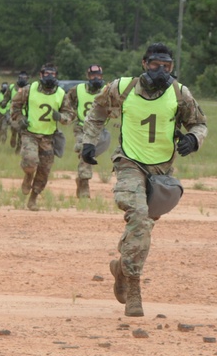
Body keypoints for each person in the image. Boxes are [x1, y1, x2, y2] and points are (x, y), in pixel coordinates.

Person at [81, 43, 208, 317]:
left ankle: (121, 268)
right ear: (143, 64)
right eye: (155, 65)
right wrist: (89, 141)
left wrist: (192, 139)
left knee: (142, 231)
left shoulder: (179, 93)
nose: (161, 71)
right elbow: (98, 110)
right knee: (138, 217)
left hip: (161, 174)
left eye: (167, 66)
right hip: (128, 163)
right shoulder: (122, 88)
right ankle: (134, 290)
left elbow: (199, 123)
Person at [9, 63, 71, 211]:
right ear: (41, 75)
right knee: (30, 160)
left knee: (44, 170)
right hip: (30, 133)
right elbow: (15, 105)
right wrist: (19, 118)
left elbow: (70, 114)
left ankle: (33, 199)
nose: (49, 77)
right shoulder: (28, 90)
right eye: (46, 74)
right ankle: (28, 175)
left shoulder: (61, 94)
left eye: (53, 74)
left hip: (49, 138)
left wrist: (61, 117)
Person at [60, 64, 107, 198]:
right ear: (88, 76)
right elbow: (67, 105)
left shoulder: (106, 90)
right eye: (93, 75)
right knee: (84, 149)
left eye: (98, 75)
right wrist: (69, 116)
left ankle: (80, 178)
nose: (96, 78)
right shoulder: (77, 90)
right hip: (82, 127)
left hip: (99, 129)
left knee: (88, 155)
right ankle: (85, 185)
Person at [8, 71, 30, 150]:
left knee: (22, 132)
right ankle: (13, 135)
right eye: (21, 78)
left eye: (24, 78)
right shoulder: (12, 88)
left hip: (25, 114)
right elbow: (6, 98)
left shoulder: (30, 89)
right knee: (14, 128)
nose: (22, 80)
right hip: (14, 113)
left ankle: (18, 147)